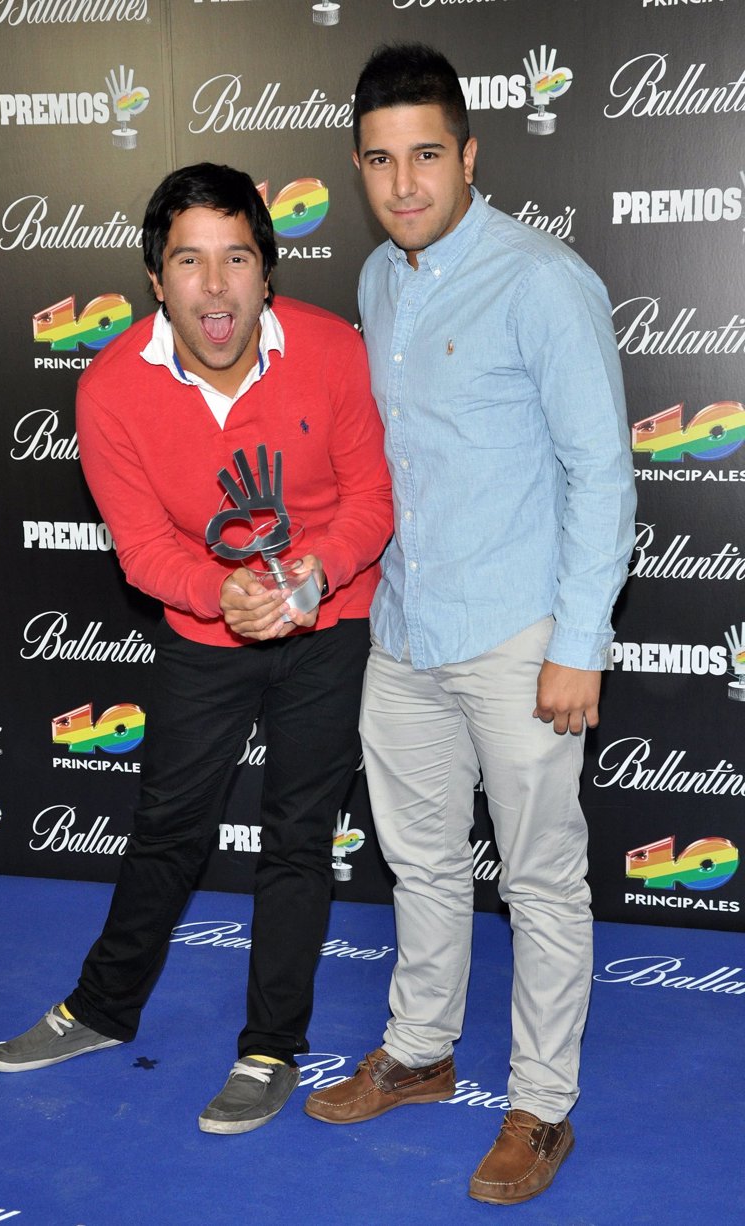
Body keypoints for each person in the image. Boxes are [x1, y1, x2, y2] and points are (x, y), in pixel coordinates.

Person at [0, 162, 393, 1136]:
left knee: (298, 835)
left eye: (236, 258)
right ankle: (100, 1008)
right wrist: (222, 594)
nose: (215, 287)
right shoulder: (109, 387)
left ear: (267, 271)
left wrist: (312, 576)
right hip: (205, 629)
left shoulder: (333, 349)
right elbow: (142, 548)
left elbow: (372, 501)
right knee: (168, 826)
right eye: (189, 262)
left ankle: (271, 1047)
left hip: (331, 621)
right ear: (156, 279)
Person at [304, 44, 637, 1205]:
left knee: (539, 879)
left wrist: (577, 643)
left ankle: (540, 1106)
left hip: (515, 633)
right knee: (421, 861)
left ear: (469, 155)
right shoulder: (374, 278)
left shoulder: (542, 280)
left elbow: (601, 473)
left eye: (426, 156)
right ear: (358, 167)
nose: (403, 184)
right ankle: (419, 1049)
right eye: (379, 160)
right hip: (403, 627)